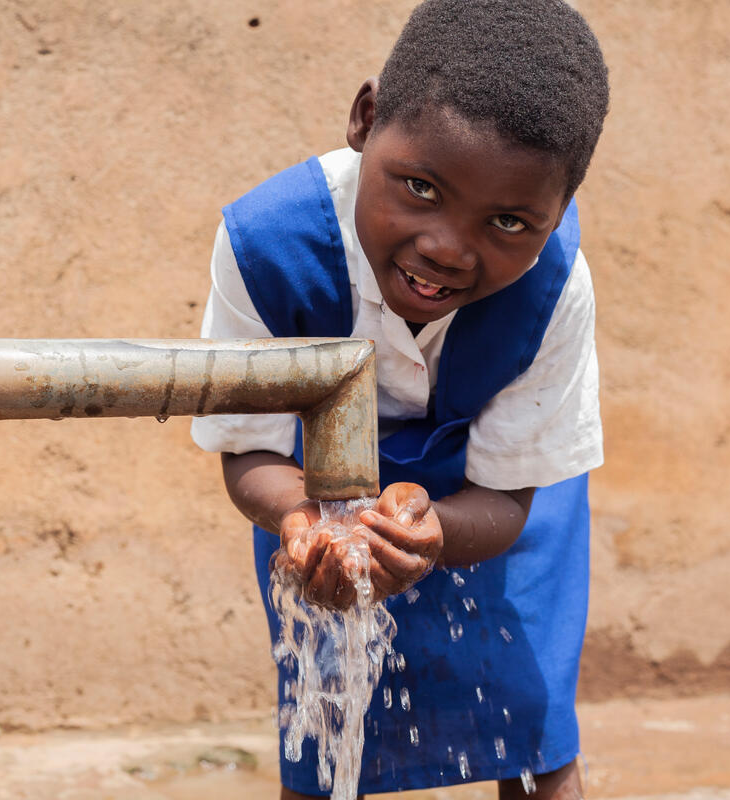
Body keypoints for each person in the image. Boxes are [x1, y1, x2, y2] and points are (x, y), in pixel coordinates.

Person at [190, 1, 609, 797]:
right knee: (324, 719)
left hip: (496, 491)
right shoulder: (268, 247)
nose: (447, 247)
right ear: (366, 117)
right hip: (317, 487)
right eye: (420, 186)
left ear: (556, 215)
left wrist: (435, 531)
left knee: (532, 722)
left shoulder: (554, 287)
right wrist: (302, 522)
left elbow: (509, 493)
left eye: (511, 221)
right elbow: (252, 450)